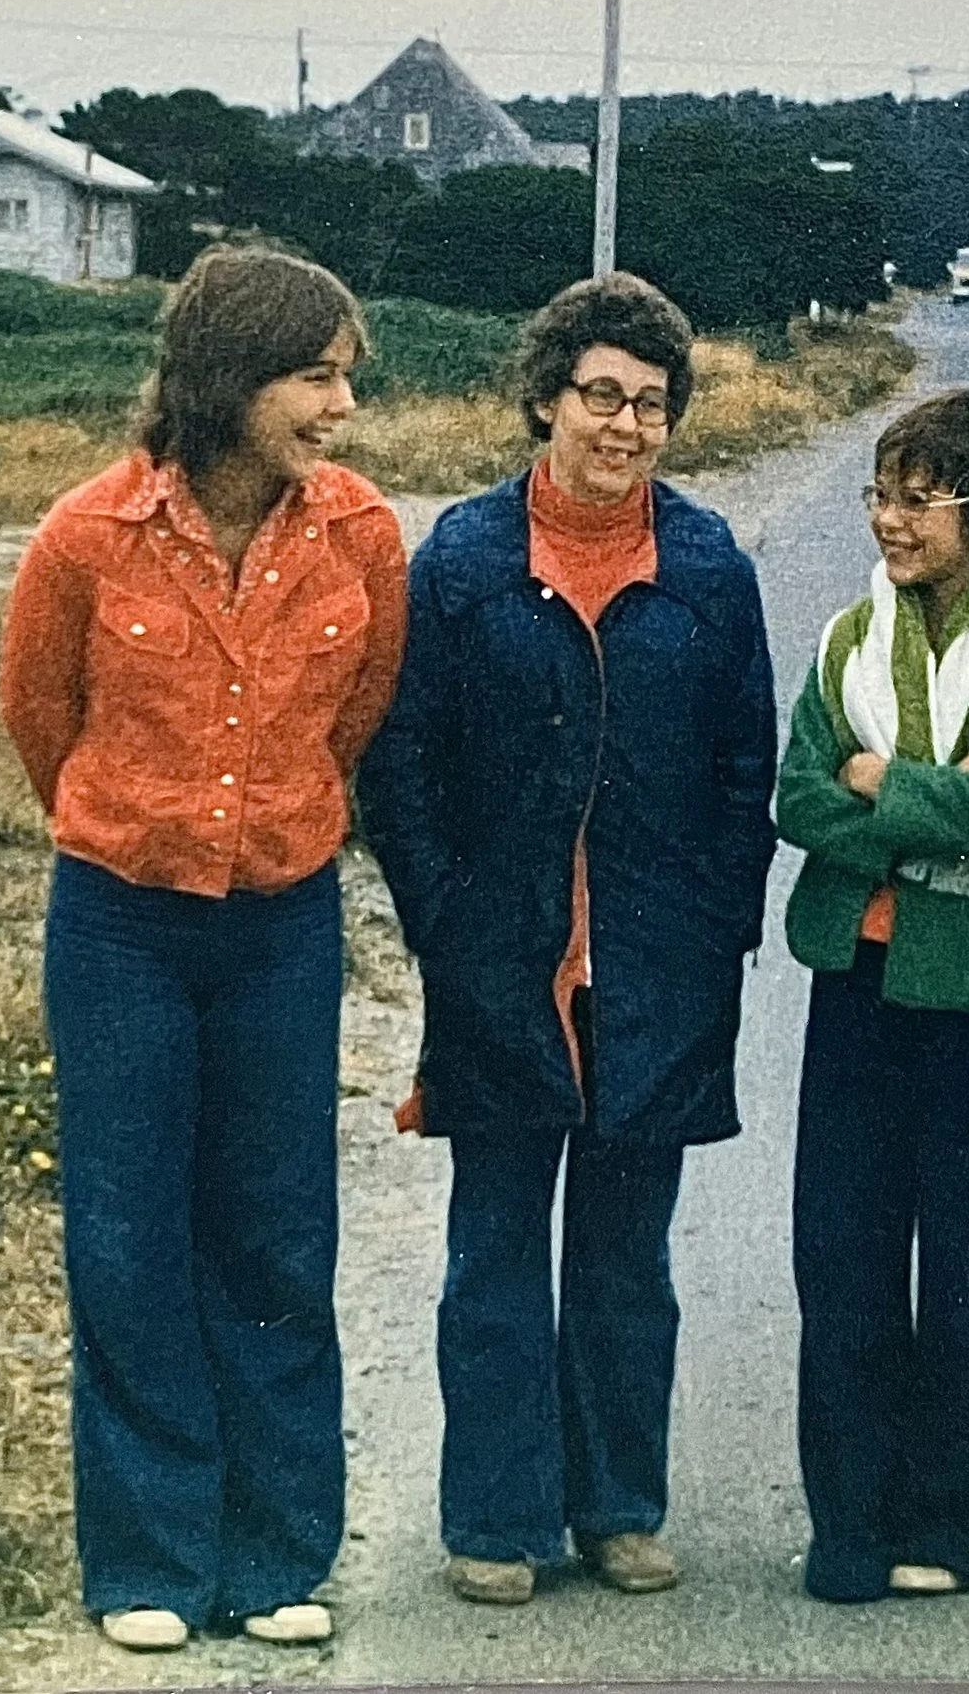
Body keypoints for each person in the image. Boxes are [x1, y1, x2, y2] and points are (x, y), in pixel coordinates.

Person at [0, 248, 407, 1655]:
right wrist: (150, 836)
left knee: (276, 1231)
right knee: (126, 1237)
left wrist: (264, 832)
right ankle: (151, 1565)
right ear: (234, 379)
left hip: (283, 917)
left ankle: (278, 1556)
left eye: (346, 373)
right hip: (121, 922)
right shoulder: (85, 539)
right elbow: (44, 723)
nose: (343, 405)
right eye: (318, 373)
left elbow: (354, 717)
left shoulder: (360, 535)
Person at [357, 272, 779, 1608]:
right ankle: (495, 1518)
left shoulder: (709, 566)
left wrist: (716, 937)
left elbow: (741, 773)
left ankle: (617, 1508)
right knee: (493, 1251)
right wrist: (447, 929)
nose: (627, 425)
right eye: (602, 395)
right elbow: (403, 764)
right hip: (505, 971)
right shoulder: (467, 561)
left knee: (624, 1258)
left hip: (654, 977)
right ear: (545, 398)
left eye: (653, 404)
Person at [775, 389, 969, 1604]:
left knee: (963, 1267)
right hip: (855, 987)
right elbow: (798, 794)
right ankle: (850, 1526)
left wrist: (875, 790)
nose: (890, 522)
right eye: (881, 496)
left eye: (920, 498)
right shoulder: (848, 640)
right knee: (840, 1262)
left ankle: (968, 1527)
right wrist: (917, 797)